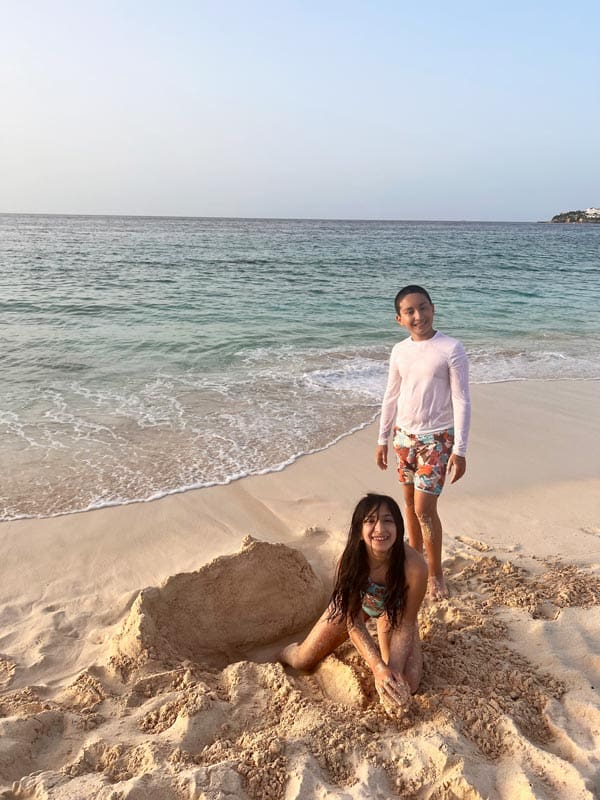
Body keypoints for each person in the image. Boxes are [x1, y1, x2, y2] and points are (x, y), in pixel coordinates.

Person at [279, 493, 427, 709]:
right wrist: (377, 667)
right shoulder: (348, 563)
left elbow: (405, 623)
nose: (380, 529)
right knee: (303, 660)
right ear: (359, 531)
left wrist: (391, 671)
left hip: (396, 613)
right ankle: (282, 651)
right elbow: (353, 622)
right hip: (358, 608)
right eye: (370, 521)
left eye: (388, 520)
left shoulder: (415, 566)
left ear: (399, 528)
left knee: (406, 683)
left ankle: (390, 642)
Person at [375, 285, 471, 602]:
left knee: (424, 510)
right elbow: (391, 396)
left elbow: (462, 401)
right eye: (410, 311)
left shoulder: (450, 348)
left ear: (433, 308)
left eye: (423, 307)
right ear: (399, 319)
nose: (419, 316)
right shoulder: (399, 351)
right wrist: (383, 439)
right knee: (408, 509)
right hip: (404, 437)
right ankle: (414, 563)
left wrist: (460, 450)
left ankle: (435, 574)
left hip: (438, 438)